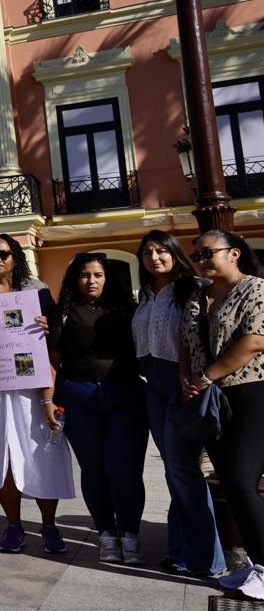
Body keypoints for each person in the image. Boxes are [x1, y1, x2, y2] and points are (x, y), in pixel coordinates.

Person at [0, 234, 73, 555]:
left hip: (30, 390)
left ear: (15, 257)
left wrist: (48, 326)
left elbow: (55, 345)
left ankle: (50, 525)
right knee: (1, 458)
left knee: (41, 455)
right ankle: (14, 525)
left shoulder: (35, 291)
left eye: (5, 254)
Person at [134, 230, 225, 576]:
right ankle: (180, 548)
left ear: (173, 253)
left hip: (182, 383)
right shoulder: (144, 294)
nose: (154, 257)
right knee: (174, 471)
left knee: (184, 470)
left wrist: (200, 377)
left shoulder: (194, 287)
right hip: (152, 385)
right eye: (147, 253)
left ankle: (207, 559)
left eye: (161, 251)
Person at [51, 251, 148, 565]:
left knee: (124, 469)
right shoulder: (61, 313)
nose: (90, 281)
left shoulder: (129, 310)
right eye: (83, 275)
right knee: (94, 470)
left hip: (125, 397)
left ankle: (130, 533)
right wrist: (48, 400)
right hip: (78, 399)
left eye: (97, 274)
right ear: (74, 280)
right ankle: (106, 532)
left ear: (107, 277)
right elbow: (51, 360)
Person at [181, 230, 264, 595]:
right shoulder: (198, 296)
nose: (200, 260)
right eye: (196, 254)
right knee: (230, 483)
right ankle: (255, 566)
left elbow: (254, 341)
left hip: (249, 393)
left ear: (233, 253)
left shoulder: (256, 289)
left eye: (207, 253)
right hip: (208, 399)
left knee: (244, 482)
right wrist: (186, 377)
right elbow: (185, 341)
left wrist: (205, 376)